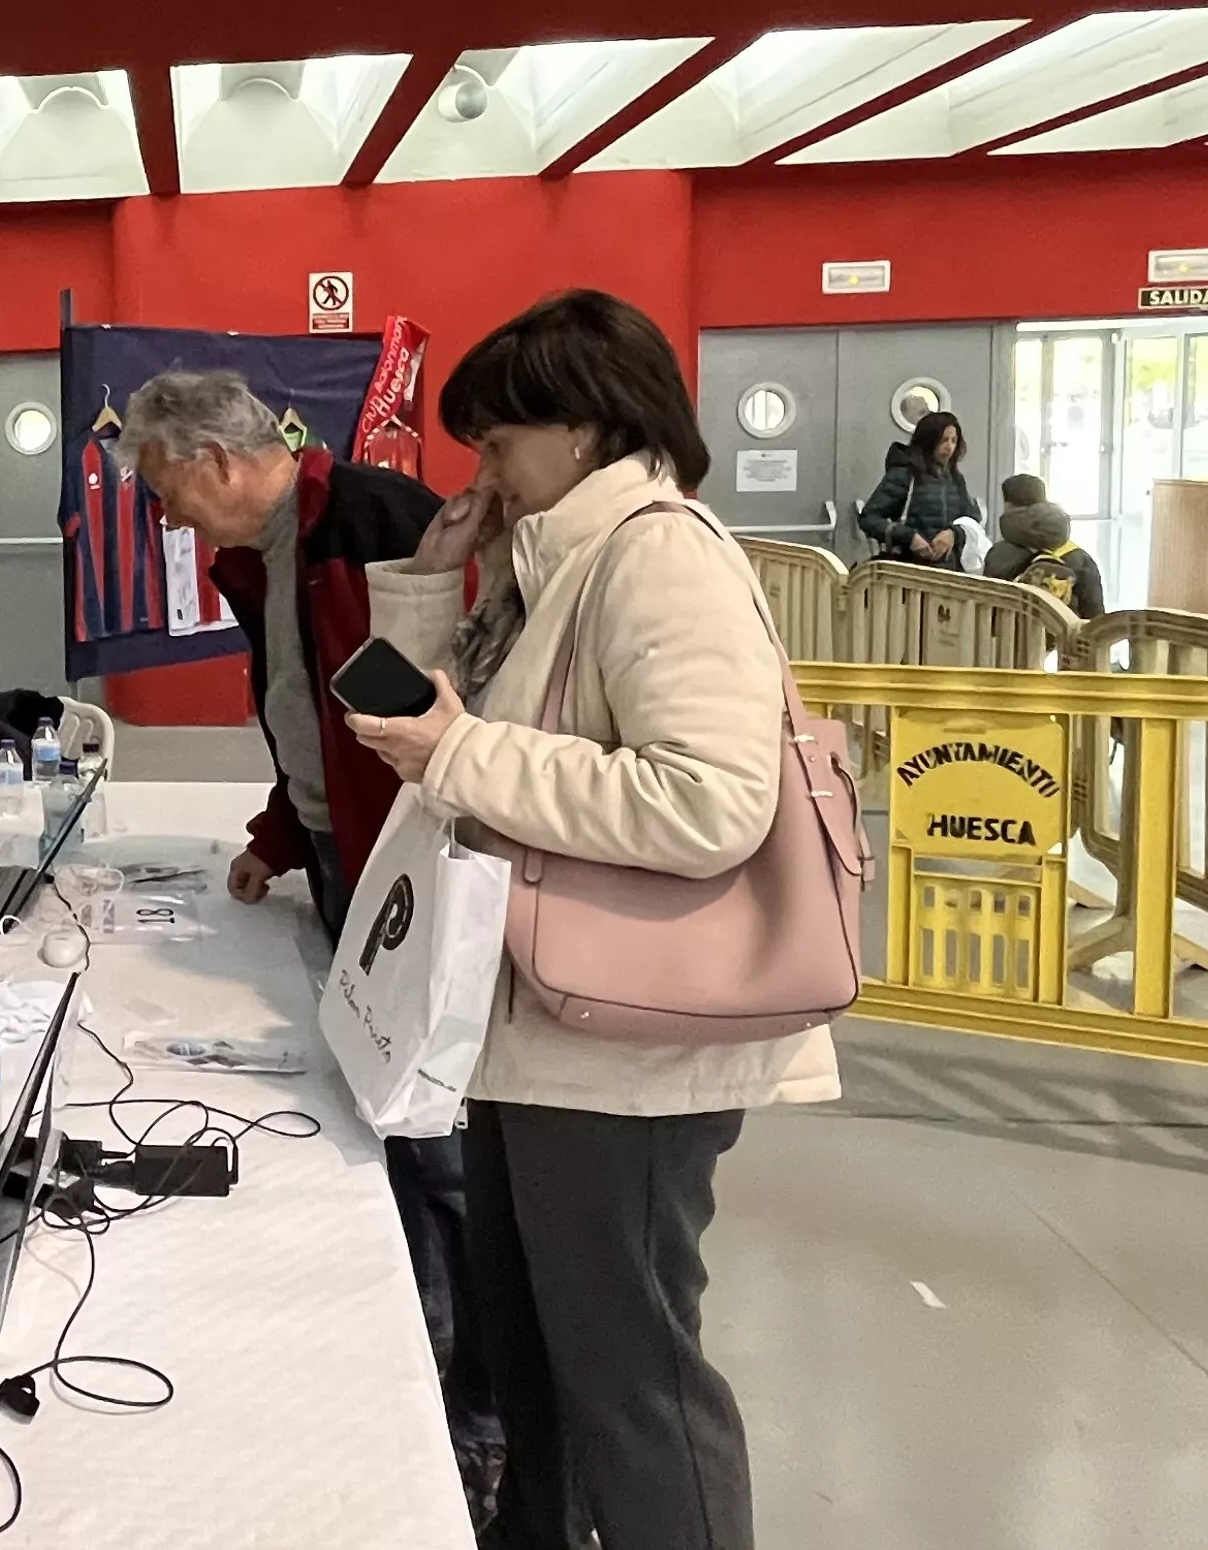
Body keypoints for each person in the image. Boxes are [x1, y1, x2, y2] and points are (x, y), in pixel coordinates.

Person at [348, 289, 840, 1550]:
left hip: (632, 1052)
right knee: (539, 1361)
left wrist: (463, 755)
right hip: (546, 1029)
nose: (482, 470)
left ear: (580, 428)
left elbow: (710, 800)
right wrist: (427, 582)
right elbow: (457, 719)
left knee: (630, 1377)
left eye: (498, 440)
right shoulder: (554, 562)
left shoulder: (659, 555)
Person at [115, 369, 505, 1521]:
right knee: (384, 1118)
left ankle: (484, 1414)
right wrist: (281, 835)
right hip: (343, 859)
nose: (166, 516)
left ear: (216, 460)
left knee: (440, 1141)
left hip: (411, 872)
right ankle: (422, 1333)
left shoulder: (372, 519)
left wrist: (407, 861)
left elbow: (437, 711)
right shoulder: (260, 555)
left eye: (167, 491)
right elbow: (308, 708)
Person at [858, 408, 977, 568]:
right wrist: (908, 537)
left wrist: (954, 534)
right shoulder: (905, 475)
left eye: (954, 441)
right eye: (943, 440)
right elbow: (869, 518)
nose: (949, 447)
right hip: (908, 565)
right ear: (929, 441)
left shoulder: (956, 479)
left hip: (949, 568)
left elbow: (971, 519)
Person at [985, 472, 1105, 618]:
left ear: (1008, 506)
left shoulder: (998, 555)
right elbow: (1095, 619)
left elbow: (988, 613)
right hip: (1064, 632)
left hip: (1013, 632)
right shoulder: (1080, 558)